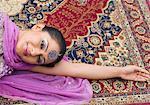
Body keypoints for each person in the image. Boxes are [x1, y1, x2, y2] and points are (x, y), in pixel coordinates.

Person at [0, 12, 149, 105]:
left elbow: (74, 68)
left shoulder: (20, 62)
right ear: (38, 27)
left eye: (40, 59)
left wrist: (120, 71)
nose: (33, 52)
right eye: (42, 44)